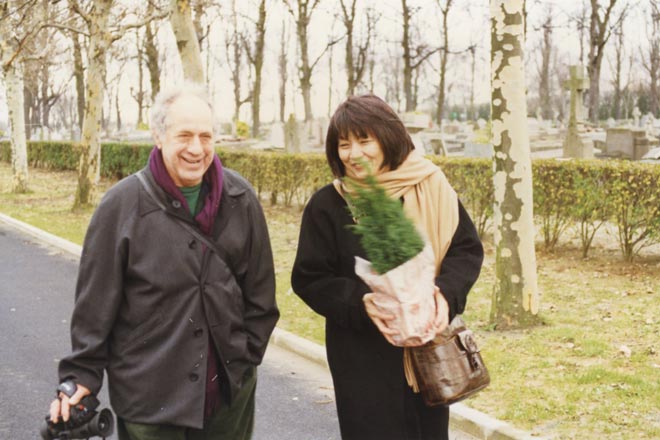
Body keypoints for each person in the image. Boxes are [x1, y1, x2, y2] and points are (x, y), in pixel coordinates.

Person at [48, 82, 279, 440]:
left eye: (206, 136)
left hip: (227, 400)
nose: (196, 148)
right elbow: (94, 308)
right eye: (184, 135)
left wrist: (245, 358)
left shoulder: (241, 199)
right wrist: (80, 377)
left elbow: (261, 295)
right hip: (149, 404)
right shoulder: (120, 206)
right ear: (158, 136)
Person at [291, 94, 484, 440]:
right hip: (361, 360)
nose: (353, 154)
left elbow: (465, 250)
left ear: (388, 138)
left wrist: (445, 296)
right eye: (344, 144)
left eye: (365, 140)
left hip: (430, 354)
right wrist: (360, 302)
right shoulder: (329, 204)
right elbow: (309, 277)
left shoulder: (431, 186)